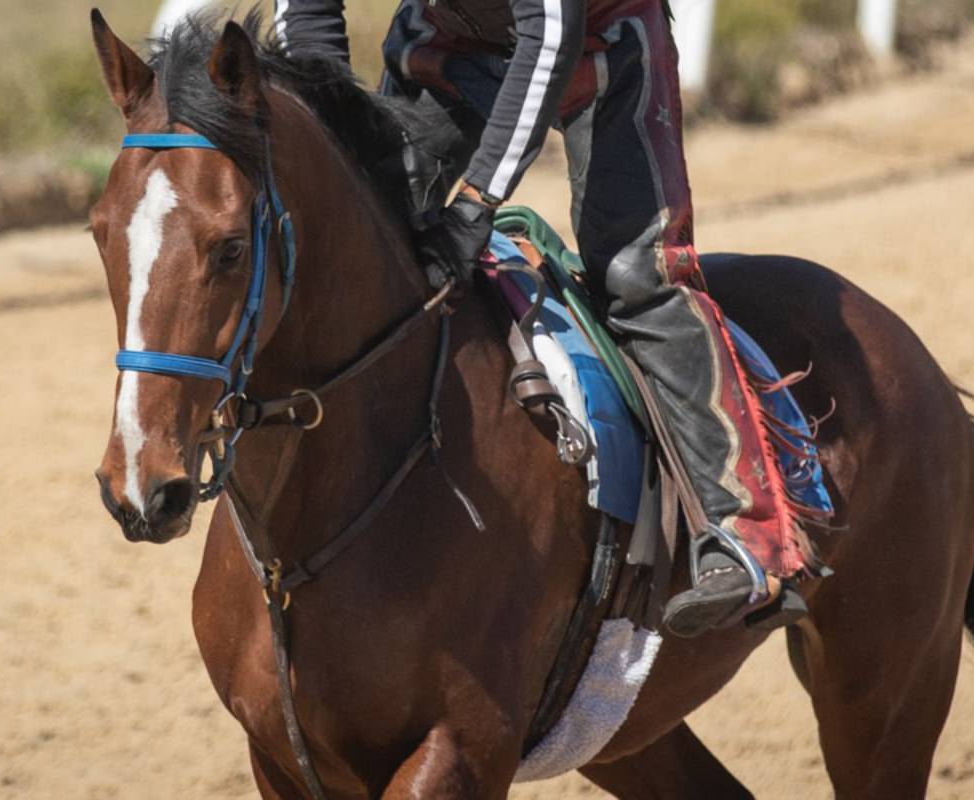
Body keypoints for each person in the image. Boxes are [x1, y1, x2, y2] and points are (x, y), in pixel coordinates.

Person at [274, 0, 822, 635]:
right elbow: (306, 12)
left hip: (597, 36)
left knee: (635, 279)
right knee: (369, 230)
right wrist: (337, 134)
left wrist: (476, 206)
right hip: (447, 35)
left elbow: (549, 39)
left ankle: (743, 533)